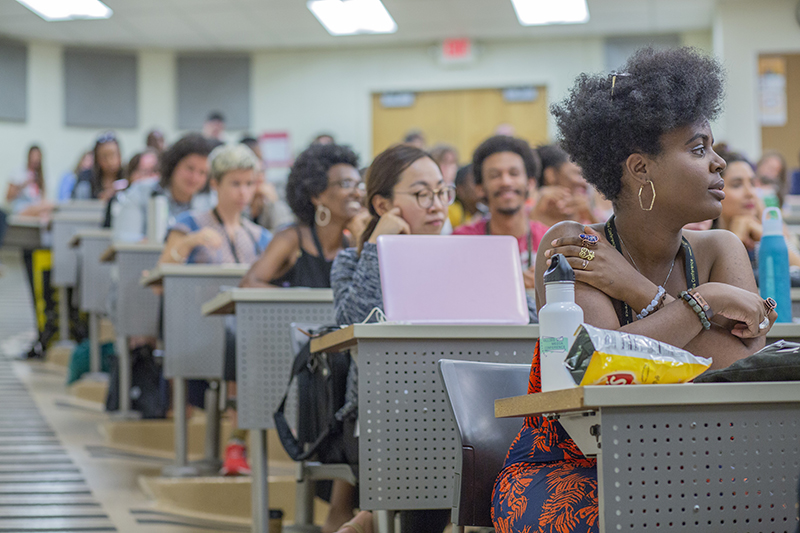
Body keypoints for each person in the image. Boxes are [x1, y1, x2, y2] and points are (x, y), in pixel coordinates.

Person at [493, 47, 777, 533]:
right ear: (640, 169)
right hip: (576, 464)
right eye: (698, 148)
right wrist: (707, 302)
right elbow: (599, 369)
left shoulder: (720, 249)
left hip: (698, 460)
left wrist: (640, 290)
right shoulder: (574, 247)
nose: (718, 163)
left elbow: (740, 373)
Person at [330, 144, 454, 533]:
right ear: (383, 205)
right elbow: (351, 323)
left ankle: (371, 519)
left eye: (442, 192)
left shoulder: (462, 258)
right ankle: (374, 517)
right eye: (422, 194)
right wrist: (376, 251)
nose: (437, 205)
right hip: (379, 416)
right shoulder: (353, 261)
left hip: (453, 411)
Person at [240, 143, 362, 530]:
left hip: (342, 364)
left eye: (358, 183)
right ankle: (341, 509)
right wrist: (304, 300)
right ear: (316, 196)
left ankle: (351, 508)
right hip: (300, 364)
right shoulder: (293, 238)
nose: (356, 191)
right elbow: (251, 283)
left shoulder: (356, 242)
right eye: (344, 184)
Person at [453, 135, 549, 289]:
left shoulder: (549, 242)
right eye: (495, 175)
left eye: (514, 173)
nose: (506, 182)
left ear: (530, 183)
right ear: (480, 188)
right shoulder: (462, 241)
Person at [112, 134, 216, 243]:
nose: (195, 178)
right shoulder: (140, 192)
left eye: (202, 172)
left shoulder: (211, 201)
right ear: (174, 165)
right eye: (190, 168)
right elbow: (123, 238)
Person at [711, 145, 800, 269]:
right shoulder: (704, 238)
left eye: (752, 184)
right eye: (737, 185)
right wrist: (736, 239)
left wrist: (766, 236)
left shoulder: (755, 238)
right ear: (715, 190)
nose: (750, 193)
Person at [533, 143, 597, 226]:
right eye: (578, 174)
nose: (585, 182)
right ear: (551, 175)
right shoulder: (524, 210)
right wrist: (536, 214)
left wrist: (591, 219)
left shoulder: (589, 213)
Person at [239, 136, 294, 231]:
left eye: (262, 172)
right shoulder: (239, 200)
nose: (260, 178)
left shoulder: (273, 196)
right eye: (256, 173)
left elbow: (284, 229)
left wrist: (274, 203)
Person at [102, 149, 159, 228]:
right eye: (145, 172)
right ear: (131, 175)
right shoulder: (118, 200)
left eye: (155, 171)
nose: (151, 177)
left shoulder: (166, 201)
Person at [72, 132, 124, 201]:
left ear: (120, 155)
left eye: (113, 155)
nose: (109, 161)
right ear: (97, 159)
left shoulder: (128, 175)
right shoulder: (86, 178)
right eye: (104, 156)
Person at [6, 145, 53, 216]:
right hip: (21, 206)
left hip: (36, 205)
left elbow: (42, 197)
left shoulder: (41, 175)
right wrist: (24, 184)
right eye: (33, 156)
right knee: (46, 208)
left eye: (37, 156)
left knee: (48, 208)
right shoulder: (18, 172)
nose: (35, 159)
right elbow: (8, 197)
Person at [448, 163, 485, 229]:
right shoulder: (452, 211)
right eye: (474, 182)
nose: (479, 186)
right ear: (460, 190)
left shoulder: (484, 210)